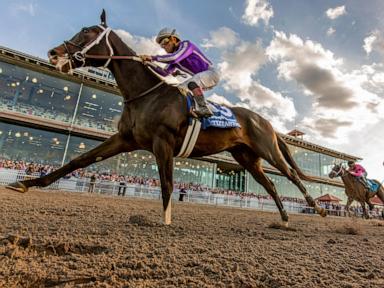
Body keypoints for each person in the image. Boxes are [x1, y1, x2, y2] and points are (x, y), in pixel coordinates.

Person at [139, 28, 220, 118]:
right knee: (180, 89)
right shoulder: (175, 60)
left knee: (181, 89)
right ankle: (198, 109)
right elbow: (165, 72)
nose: (164, 47)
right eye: (161, 45)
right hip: (200, 80)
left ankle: (203, 108)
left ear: (173, 39)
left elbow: (174, 57)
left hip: (211, 73)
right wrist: (148, 64)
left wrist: (152, 58)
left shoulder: (186, 44)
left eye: (165, 42)